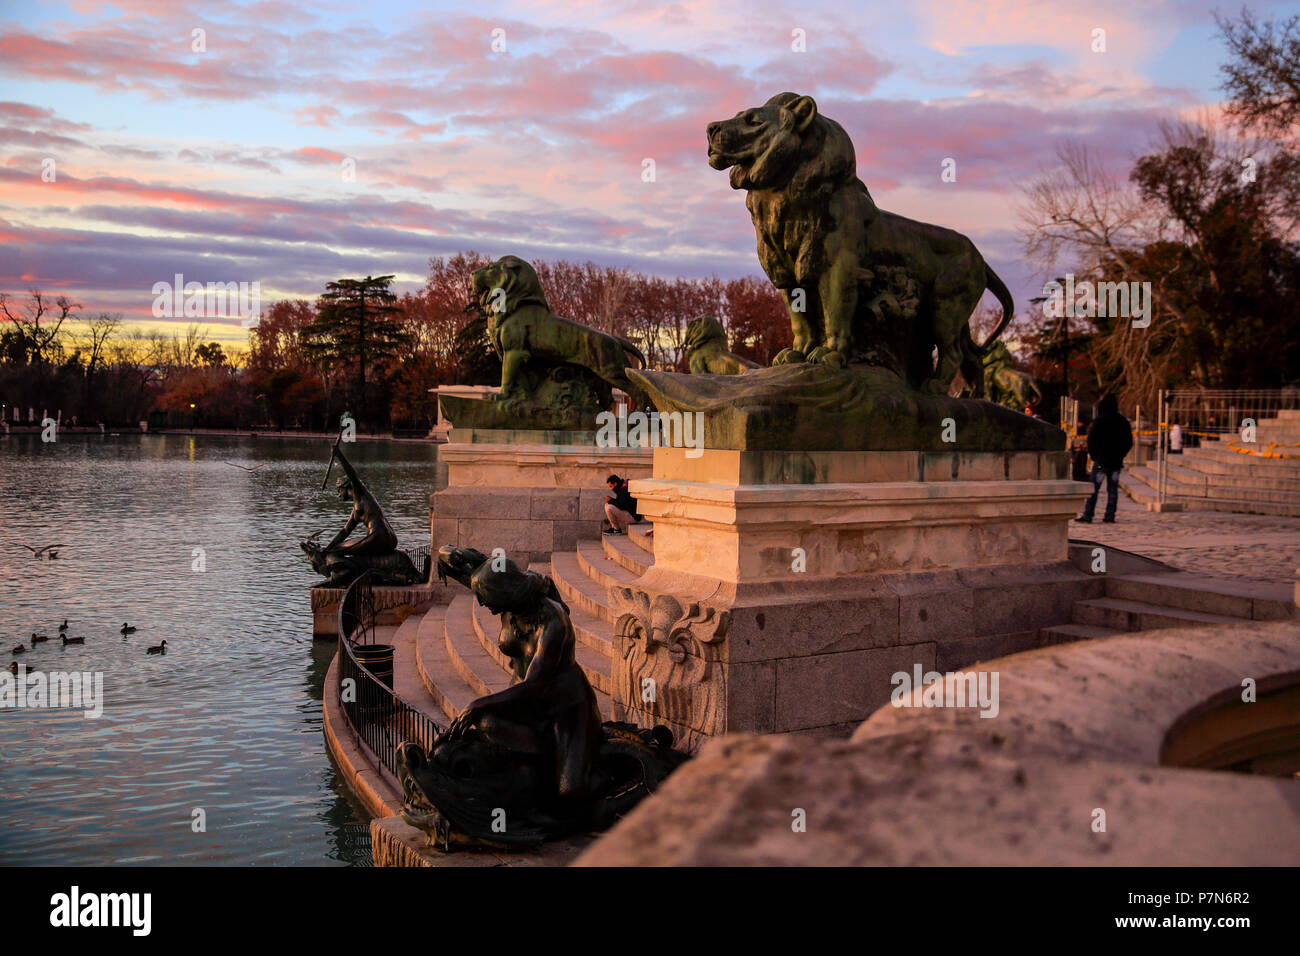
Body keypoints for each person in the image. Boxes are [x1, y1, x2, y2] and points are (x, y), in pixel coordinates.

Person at [1076, 394, 1133, 524]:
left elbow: (1091, 440)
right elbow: (1128, 441)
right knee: (1112, 489)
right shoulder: (1122, 421)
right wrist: (1121, 454)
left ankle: (1088, 514)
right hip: (1116, 461)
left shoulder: (1099, 421)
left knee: (1094, 489)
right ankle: (1110, 515)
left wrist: (1094, 455)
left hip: (1101, 460)